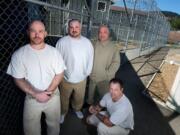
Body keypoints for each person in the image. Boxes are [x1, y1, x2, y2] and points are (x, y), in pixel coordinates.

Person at [7, 20, 66, 135]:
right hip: (32, 98)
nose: (37, 34)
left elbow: (60, 74)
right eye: (33, 31)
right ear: (28, 32)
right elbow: (18, 79)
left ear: (45, 33)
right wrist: (36, 94)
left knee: (54, 125)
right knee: (30, 130)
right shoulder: (19, 54)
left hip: (53, 96)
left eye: (40, 31)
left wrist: (48, 92)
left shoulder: (54, 52)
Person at [56, 19, 94, 123]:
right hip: (65, 78)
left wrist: (87, 73)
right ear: (68, 28)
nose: (74, 29)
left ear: (80, 28)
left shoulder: (87, 43)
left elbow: (90, 58)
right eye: (71, 27)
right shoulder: (62, 42)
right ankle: (63, 112)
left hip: (81, 78)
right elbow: (57, 59)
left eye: (76, 27)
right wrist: (60, 74)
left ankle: (77, 109)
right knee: (63, 98)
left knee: (79, 98)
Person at [87, 25, 120, 105]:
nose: (102, 34)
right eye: (100, 32)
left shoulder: (113, 47)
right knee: (90, 92)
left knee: (105, 96)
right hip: (92, 75)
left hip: (104, 78)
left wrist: (107, 74)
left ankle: (103, 108)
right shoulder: (93, 43)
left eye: (105, 32)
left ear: (109, 34)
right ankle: (89, 103)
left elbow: (116, 62)